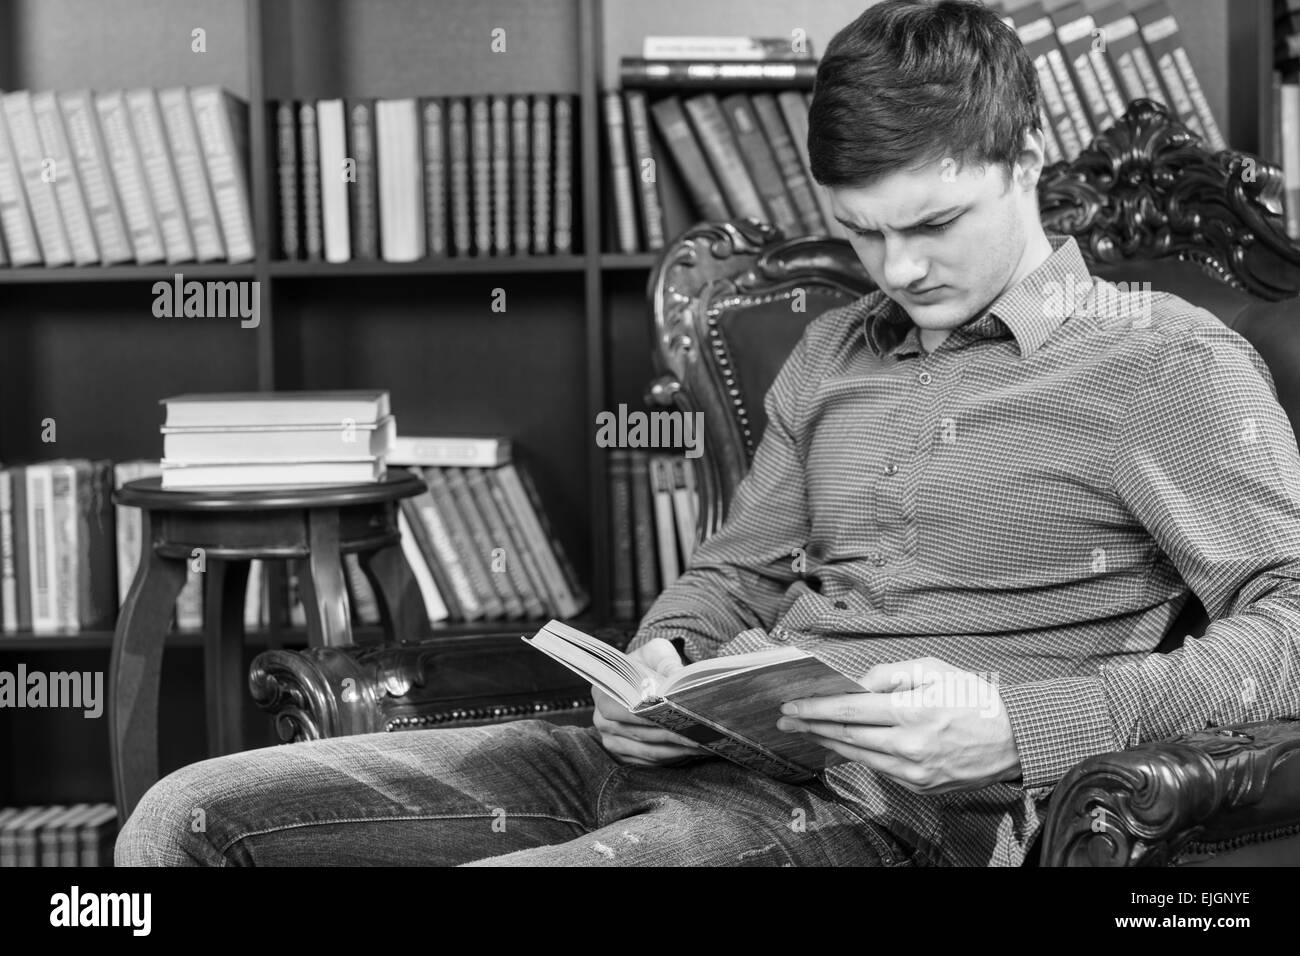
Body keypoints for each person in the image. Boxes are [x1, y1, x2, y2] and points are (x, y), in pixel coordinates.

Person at [115, 0, 1300, 867]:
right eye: (861, 231)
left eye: (933, 223)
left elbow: (1292, 617)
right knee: (186, 819)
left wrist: (1025, 725)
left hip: (881, 811)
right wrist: (666, 662)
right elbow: (735, 571)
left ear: (1027, 166)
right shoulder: (834, 349)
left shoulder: (1166, 362)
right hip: (675, 753)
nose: (896, 269)